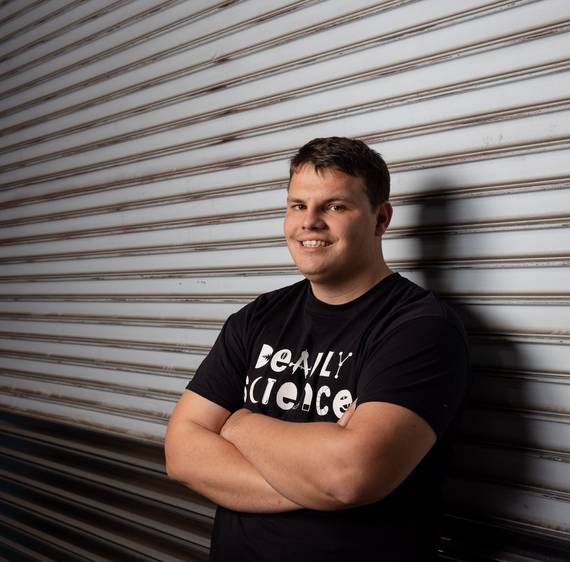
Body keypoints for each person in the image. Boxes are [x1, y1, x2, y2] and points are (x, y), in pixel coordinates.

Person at [164, 136, 470, 561]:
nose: (309, 222)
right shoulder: (256, 319)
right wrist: (314, 478)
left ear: (380, 219)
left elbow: (349, 476)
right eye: (297, 205)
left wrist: (238, 425)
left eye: (334, 206)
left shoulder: (420, 328)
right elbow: (181, 453)